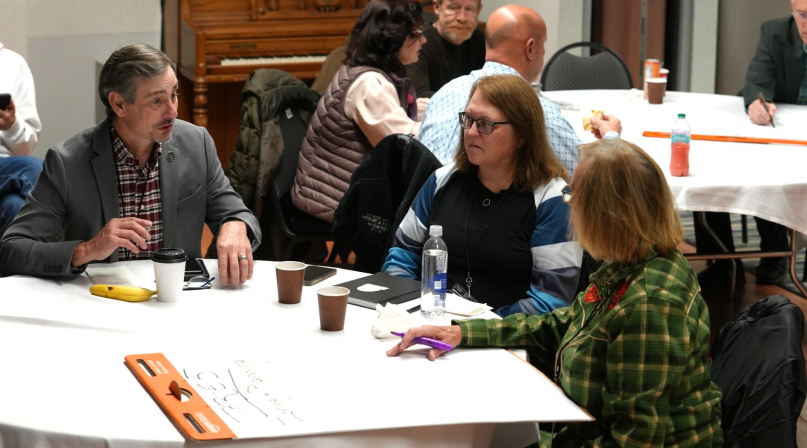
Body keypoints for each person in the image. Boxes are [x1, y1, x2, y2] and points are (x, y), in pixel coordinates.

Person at [388, 138, 724, 448]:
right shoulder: (633, 261)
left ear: (607, 213)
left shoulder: (650, 305)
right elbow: (563, 323)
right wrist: (460, 332)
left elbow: (634, 442)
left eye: (574, 195)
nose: (568, 204)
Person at [0, 44, 260, 287]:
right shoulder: (68, 161)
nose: (173, 112)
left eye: (174, 95)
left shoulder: (195, 144)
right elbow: (12, 248)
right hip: (103, 302)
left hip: (178, 299)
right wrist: (88, 249)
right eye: (157, 101)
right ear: (118, 104)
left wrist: (235, 225)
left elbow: (239, 213)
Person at [383, 74, 581, 317]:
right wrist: (411, 311)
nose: (471, 132)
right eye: (468, 119)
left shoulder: (551, 200)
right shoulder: (441, 180)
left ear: (522, 135)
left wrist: (476, 330)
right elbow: (402, 257)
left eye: (485, 124)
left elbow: (551, 301)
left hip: (507, 338)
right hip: (431, 322)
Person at [417, 4, 622, 173]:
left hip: (423, 213)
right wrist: (611, 139)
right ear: (530, 48)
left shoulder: (445, 93)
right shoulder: (535, 111)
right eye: (543, 46)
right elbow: (593, 178)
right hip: (478, 218)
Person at [696, 0, 806, 290]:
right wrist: (758, 103)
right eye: (803, 15)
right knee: (710, 164)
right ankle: (724, 263)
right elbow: (758, 75)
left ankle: (776, 255)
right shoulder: (775, 31)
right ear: (792, 10)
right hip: (776, 125)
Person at [291, 0, 428, 223]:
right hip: (333, 200)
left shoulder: (364, 71)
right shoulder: (369, 85)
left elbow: (401, 112)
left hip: (329, 189)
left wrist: (439, 107)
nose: (424, 40)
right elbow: (403, 146)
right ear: (392, 39)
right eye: (416, 35)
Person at [0, 42, 43, 237]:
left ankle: (14, 266)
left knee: (14, 206)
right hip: (14, 170)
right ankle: (47, 255)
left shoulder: (13, 64)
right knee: (34, 168)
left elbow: (26, 147)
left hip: (6, 165)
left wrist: (12, 125)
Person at [405, 0, 486, 98]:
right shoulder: (420, 42)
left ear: (478, 10)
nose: (462, 18)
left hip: (465, 112)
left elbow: (484, 84)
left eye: (469, 9)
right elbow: (418, 97)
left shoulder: (477, 37)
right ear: (437, 7)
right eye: (453, 8)